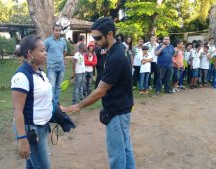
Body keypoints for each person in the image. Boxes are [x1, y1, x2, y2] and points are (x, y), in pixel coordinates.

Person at [63, 17, 135, 169]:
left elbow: (101, 90)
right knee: (125, 148)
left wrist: (78, 106)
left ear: (109, 34)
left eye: (97, 38)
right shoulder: (120, 49)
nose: (94, 41)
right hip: (123, 109)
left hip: (117, 112)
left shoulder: (116, 56)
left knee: (117, 154)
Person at [11, 35, 53, 169]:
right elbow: (18, 111)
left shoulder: (39, 72)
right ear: (30, 53)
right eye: (41, 50)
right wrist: (22, 139)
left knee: (32, 165)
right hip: (31, 130)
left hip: (41, 127)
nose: (45, 53)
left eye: (45, 50)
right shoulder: (22, 76)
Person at [44, 24, 68, 105]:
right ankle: (51, 102)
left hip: (61, 67)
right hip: (52, 67)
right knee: (52, 86)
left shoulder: (63, 41)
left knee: (58, 86)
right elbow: (43, 51)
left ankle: (56, 102)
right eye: (56, 30)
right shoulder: (48, 41)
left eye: (59, 30)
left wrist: (63, 60)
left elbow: (65, 51)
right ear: (53, 31)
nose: (58, 32)